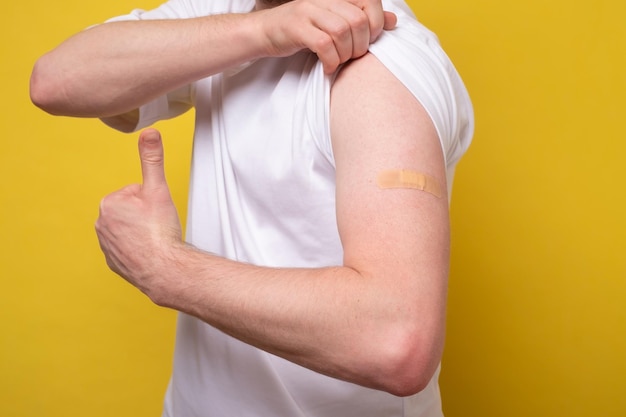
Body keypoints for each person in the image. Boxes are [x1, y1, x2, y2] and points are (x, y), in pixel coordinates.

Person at [30, 0, 473, 415]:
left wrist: (164, 266)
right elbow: (54, 81)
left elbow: (396, 342)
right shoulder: (237, 11)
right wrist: (262, 32)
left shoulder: (380, 68)